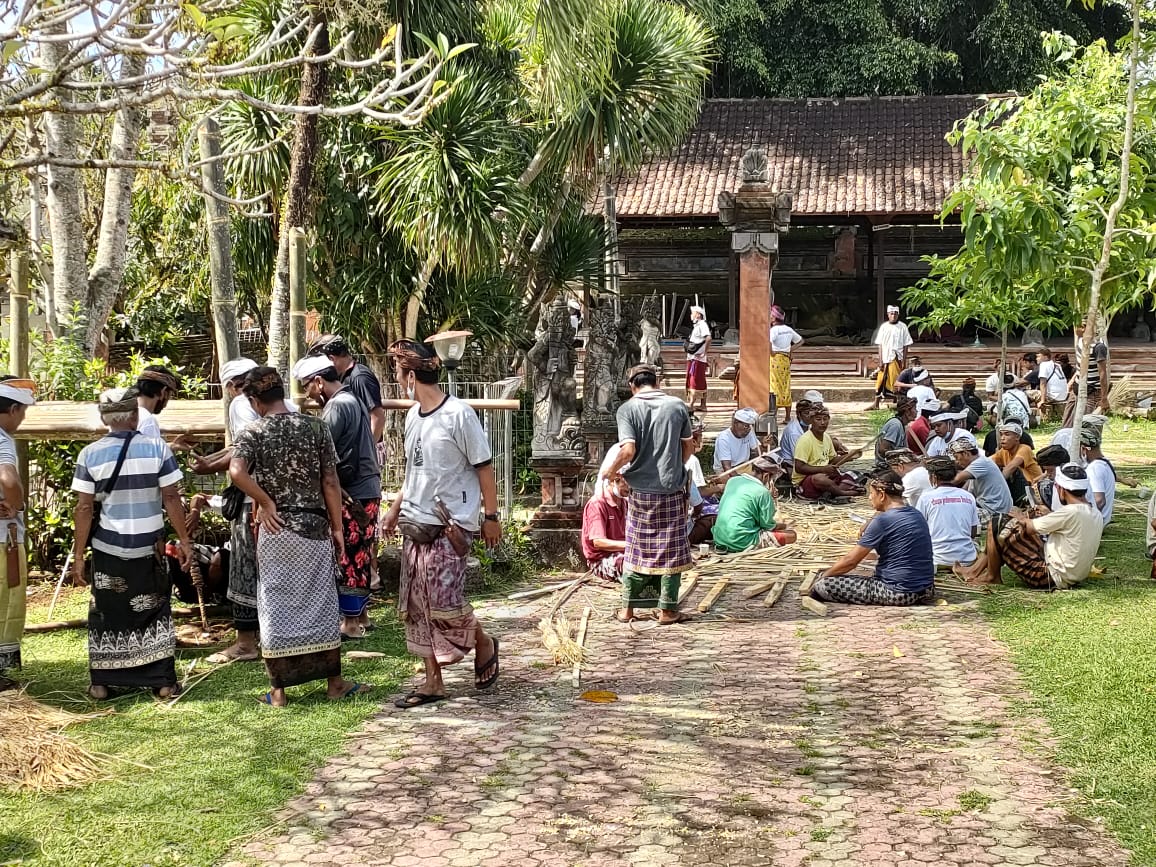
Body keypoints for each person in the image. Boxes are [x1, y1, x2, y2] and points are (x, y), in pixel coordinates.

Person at [228, 368, 370, 706]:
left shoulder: (253, 432)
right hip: (314, 528)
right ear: (280, 392)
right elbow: (330, 481)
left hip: (274, 530)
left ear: (254, 401)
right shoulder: (316, 427)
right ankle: (334, 683)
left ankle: (279, 691)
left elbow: (236, 471)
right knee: (321, 602)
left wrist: (265, 502)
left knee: (275, 603)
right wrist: (337, 528)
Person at [380, 340, 501, 707]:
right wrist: (394, 509)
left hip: (450, 526)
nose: (398, 380)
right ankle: (433, 680)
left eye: (399, 373)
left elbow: (484, 468)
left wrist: (491, 517)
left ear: (411, 376)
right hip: (415, 523)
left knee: (445, 603)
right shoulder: (413, 417)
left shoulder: (459, 415)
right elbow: (414, 472)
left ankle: (482, 641)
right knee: (416, 605)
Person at [71, 388, 193, 700]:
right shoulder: (157, 448)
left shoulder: (89, 455)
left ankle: (101, 683)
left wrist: (79, 555)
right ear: (136, 416)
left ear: (104, 419)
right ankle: (162, 682)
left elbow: (84, 508)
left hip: (108, 547)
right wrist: (184, 540)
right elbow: (171, 497)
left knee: (107, 610)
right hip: (149, 547)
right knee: (154, 609)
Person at [292, 355, 382, 639]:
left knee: (348, 555)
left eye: (307, 386)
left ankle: (350, 623)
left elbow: (320, 451)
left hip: (352, 491)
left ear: (319, 382)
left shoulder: (337, 406)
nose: (308, 393)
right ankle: (362, 616)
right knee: (362, 551)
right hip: (366, 488)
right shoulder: (352, 399)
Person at [604, 364, 694, 625]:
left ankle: (628, 609)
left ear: (632, 386)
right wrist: (674, 467)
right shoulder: (677, 406)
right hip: (671, 490)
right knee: (671, 551)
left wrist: (610, 471)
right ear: (657, 382)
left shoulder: (627, 409)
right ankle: (667, 610)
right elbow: (688, 447)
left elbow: (628, 450)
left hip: (641, 493)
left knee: (637, 550)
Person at [955, 464, 1104, 589]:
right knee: (1005, 527)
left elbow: (1030, 528)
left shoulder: (1069, 512)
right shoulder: (1094, 513)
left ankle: (991, 576)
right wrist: (1043, 514)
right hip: (1073, 575)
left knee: (997, 522)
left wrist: (1020, 515)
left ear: (1061, 489)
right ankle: (974, 570)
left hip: (1050, 576)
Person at [808, 471, 935, 606]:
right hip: (926, 589)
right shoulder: (916, 514)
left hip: (898, 592)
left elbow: (851, 561)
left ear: (882, 495)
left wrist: (824, 576)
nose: (869, 498)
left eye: (871, 493)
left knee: (823, 585)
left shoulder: (883, 521)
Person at [0, 380, 34, 691]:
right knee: (4, 602)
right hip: (3, 538)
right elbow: (8, 478)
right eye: (22, 412)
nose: (22, 419)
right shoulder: (2, 440)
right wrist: (18, 504)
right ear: (12, 409)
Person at [308, 334, 385, 441]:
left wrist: (368, 447)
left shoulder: (360, 377)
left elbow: (377, 418)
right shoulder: (343, 377)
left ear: (331, 359)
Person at [712, 457, 796, 553]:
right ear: (766, 476)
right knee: (792, 535)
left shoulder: (732, 481)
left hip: (720, 539)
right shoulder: (762, 492)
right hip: (741, 541)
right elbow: (768, 526)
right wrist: (783, 526)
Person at [916, 457, 978, 567]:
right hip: (967, 558)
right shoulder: (968, 496)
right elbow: (973, 532)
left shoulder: (926, 498)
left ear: (933, 477)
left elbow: (918, 531)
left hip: (937, 559)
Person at [793, 406, 862, 500]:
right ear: (811, 421)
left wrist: (849, 456)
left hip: (826, 475)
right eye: (818, 419)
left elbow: (832, 460)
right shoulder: (805, 440)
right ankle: (842, 492)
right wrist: (823, 469)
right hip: (807, 481)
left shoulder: (826, 437)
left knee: (852, 475)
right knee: (820, 479)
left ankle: (832, 492)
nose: (822, 423)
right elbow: (799, 468)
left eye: (825, 419)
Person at [948, 439, 1012, 529]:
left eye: (956, 457)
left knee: (952, 513)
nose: (957, 461)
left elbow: (956, 480)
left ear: (966, 453)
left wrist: (939, 482)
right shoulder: (976, 467)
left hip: (994, 512)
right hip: (990, 508)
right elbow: (965, 492)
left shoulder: (981, 463)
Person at [581, 476, 628, 579]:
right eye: (626, 482)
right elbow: (598, 542)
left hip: (625, 553)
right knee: (631, 564)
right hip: (602, 560)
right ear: (613, 481)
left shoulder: (625, 503)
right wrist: (630, 545)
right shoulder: (597, 504)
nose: (630, 487)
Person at [868, 305, 914, 409]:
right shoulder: (884, 327)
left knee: (896, 381)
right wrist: (880, 360)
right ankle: (876, 404)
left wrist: (904, 361)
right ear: (888, 315)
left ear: (898, 315)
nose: (893, 316)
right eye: (891, 313)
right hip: (885, 358)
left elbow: (906, 344)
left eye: (895, 314)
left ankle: (898, 403)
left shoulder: (903, 327)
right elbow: (880, 344)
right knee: (880, 381)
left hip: (897, 358)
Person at [1065, 323, 1110, 423]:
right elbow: (1080, 365)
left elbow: (1102, 374)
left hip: (1091, 391)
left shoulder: (1098, 347)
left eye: (1083, 326)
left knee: (1087, 425)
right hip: (1077, 387)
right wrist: (1072, 381)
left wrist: (1104, 398)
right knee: (1068, 422)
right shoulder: (1080, 341)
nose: (1078, 328)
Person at [991, 421, 1042, 507]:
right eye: (1001, 435)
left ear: (1017, 437)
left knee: (1014, 471)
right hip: (1019, 489)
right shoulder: (1003, 451)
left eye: (1007, 434)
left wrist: (994, 485)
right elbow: (986, 462)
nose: (1002, 438)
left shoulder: (1025, 449)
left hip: (1033, 491)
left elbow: (1012, 467)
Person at [768, 305, 803, 423]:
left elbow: (768, 342)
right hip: (786, 360)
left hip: (775, 359)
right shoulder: (788, 329)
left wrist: (771, 352)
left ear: (774, 318)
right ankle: (787, 416)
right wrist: (789, 350)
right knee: (786, 386)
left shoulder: (774, 330)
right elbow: (801, 341)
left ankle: (774, 415)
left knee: (774, 386)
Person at [1080, 426, 1116, 526]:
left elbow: (1099, 501)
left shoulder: (1095, 468)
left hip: (1094, 523)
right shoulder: (1105, 463)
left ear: (1084, 449)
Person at [134, 365, 180, 440]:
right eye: (170, 395)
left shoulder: (122, 414)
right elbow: (147, 448)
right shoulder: (148, 422)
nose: (165, 405)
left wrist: (171, 445)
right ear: (164, 392)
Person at [713, 407, 759, 474]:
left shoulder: (749, 431)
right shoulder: (724, 438)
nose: (748, 429)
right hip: (724, 471)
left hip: (744, 466)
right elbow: (727, 468)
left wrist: (764, 446)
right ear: (735, 423)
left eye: (750, 426)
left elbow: (758, 451)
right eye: (746, 426)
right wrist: (739, 479)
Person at [875, 397, 916, 470]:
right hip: (886, 466)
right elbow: (882, 449)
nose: (917, 411)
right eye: (915, 409)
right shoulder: (895, 425)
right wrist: (901, 453)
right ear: (907, 412)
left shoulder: (902, 425)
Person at [685, 306, 711, 414]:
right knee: (698, 380)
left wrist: (705, 352)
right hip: (693, 358)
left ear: (698, 315)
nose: (691, 315)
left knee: (694, 380)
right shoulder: (697, 326)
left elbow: (708, 338)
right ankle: (702, 404)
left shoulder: (702, 325)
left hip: (697, 359)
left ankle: (691, 404)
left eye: (693, 313)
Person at [778, 399, 815, 471]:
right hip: (791, 464)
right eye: (806, 413)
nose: (809, 416)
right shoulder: (794, 432)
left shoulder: (808, 424)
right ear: (798, 414)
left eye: (811, 413)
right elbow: (797, 457)